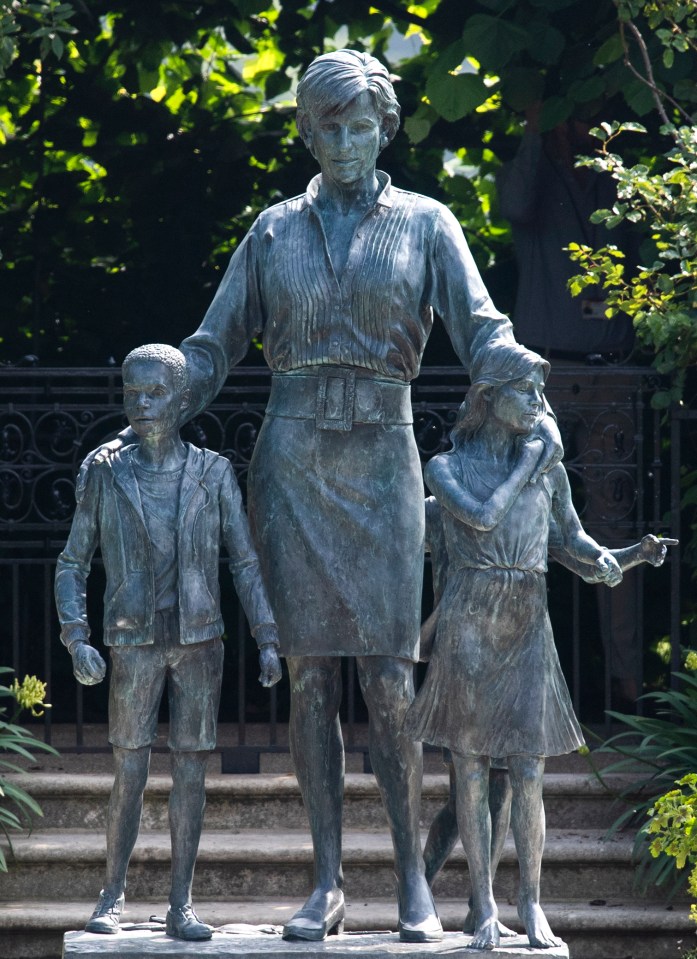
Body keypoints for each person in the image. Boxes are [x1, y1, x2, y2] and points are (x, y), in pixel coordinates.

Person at [91, 50, 562, 943]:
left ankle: (415, 885)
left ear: (384, 128)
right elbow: (213, 344)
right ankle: (328, 880)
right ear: (306, 131)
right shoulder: (273, 231)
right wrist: (157, 392)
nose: (344, 143)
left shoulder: (427, 223)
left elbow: (481, 326)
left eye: (359, 126)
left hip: (384, 461)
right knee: (309, 680)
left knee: (389, 678)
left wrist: (514, 366)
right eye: (327, 127)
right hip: (293, 460)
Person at [404, 341, 628, 950]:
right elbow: (480, 518)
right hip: (471, 619)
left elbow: (570, 540)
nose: (537, 403)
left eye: (540, 392)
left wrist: (609, 559)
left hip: (527, 617)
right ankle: (482, 906)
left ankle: (531, 903)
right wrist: (531, 462)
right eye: (525, 392)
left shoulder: (547, 469)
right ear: (489, 397)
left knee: (529, 770)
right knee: (471, 769)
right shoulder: (447, 468)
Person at [55, 344, 282, 940]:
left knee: (190, 771)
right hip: (133, 641)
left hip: (200, 641)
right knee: (128, 768)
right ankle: (112, 894)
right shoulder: (107, 471)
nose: (143, 404)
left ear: (182, 401)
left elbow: (246, 562)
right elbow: (71, 562)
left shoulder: (212, 472)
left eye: (156, 394)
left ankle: (182, 901)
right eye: (133, 393)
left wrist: (266, 635)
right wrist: (76, 637)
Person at [419, 494, 675, 913]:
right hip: (467, 656)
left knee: (503, 787)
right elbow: (392, 548)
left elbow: (584, 555)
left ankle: (476, 906)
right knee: (463, 794)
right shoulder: (448, 496)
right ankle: (422, 881)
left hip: (518, 656)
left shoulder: (529, 504)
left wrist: (638, 554)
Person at [496, 104, 642, 706]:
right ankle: (511, 678)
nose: (582, 128)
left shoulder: (621, 180)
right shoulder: (536, 173)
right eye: (572, 117)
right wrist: (533, 129)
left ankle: (629, 687)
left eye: (593, 118)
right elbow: (512, 207)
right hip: (545, 376)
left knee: (614, 526)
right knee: (520, 526)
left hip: (612, 376)